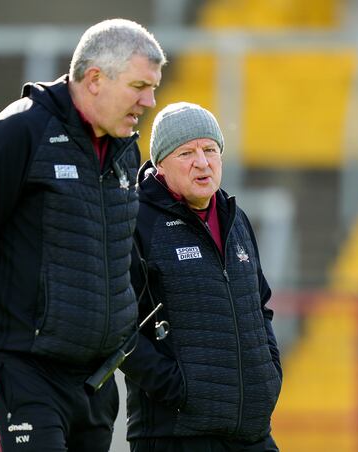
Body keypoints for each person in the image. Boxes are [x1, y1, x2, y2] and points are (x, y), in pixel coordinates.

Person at [0, 18, 165, 452]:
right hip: (22, 369)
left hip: (94, 379)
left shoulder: (126, 152)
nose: (149, 101)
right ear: (95, 79)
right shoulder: (17, 133)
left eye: (152, 88)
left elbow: (122, 260)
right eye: (139, 87)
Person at [120, 102, 282, 452]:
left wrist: (269, 374)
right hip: (176, 435)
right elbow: (116, 327)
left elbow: (260, 306)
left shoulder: (236, 219)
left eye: (210, 149)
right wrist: (179, 388)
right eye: (186, 152)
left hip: (253, 434)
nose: (202, 162)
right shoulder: (135, 221)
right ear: (160, 164)